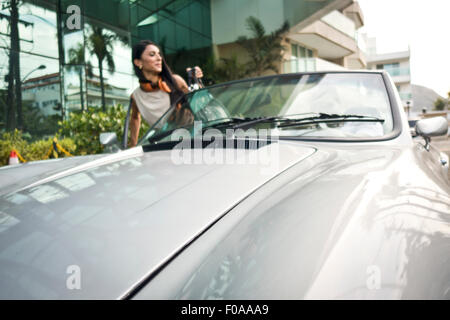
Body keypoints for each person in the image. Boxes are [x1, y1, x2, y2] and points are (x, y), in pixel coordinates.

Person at [129, 40, 203, 147]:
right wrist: (133, 145)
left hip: (191, 141)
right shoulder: (136, 96)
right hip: (163, 145)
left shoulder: (176, 81)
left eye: (159, 54)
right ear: (138, 62)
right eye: (152, 54)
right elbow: (135, 118)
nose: (159, 58)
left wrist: (197, 80)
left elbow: (198, 103)